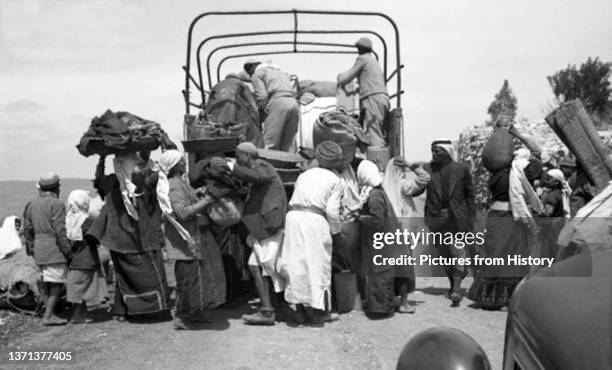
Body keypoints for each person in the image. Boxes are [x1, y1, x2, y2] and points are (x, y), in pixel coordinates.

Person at [89, 153, 170, 320]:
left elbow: (98, 180)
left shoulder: (111, 181)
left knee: (123, 275)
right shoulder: (144, 180)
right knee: (150, 276)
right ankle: (150, 309)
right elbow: (163, 171)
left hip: (118, 240)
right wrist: (150, 152)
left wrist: (102, 159)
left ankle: (121, 310)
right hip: (142, 240)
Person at [277, 141, 345, 325]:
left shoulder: (304, 175)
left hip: (293, 218)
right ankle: (319, 313)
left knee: (296, 264)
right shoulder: (335, 181)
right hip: (315, 220)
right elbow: (332, 212)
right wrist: (337, 234)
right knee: (318, 266)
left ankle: (299, 311)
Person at [158, 150, 226, 330]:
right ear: (173, 166)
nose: (184, 163)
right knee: (187, 281)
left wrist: (198, 193)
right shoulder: (174, 185)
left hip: (192, 238)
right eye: (181, 161)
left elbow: (188, 200)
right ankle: (182, 316)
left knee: (196, 278)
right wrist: (208, 200)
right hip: (184, 241)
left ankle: (194, 313)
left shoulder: (180, 182)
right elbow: (184, 212)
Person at [221, 142, 288, 325]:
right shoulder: (257, 170)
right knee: (257, 266)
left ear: (245, 156)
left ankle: (272, 309)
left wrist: (229, 166)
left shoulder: (262, 166)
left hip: (269, 226)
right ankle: (271, 308)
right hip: (264, 228)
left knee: (269, 267)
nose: (237, 160)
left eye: (238, 156)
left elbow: (255, 176)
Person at [467, 148, 542, 309]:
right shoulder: (519, 174)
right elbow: (536, 168)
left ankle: (489, 297)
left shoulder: (497, 173)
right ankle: (509, 298)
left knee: (495, 253)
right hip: (511, 218)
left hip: (495, 216)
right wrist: (534, 154)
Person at [358, 160, 417, 315]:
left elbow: (377, 220)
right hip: (392, 239)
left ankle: (382, 308)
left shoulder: (374, 195)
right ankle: (397, 304)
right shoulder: (377, 191)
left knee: (383, 274)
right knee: (398, 272)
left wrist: (360, 218)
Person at [421, 139, 475, 306]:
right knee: (444, 255)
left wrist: (470, 219)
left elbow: (470, 195)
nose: (434, 154)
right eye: (432, 150)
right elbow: (417, 186)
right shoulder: (427, 169)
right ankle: (453, 285)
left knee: (457, 252)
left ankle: (457, 289)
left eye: (437, 151)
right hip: (436, 219)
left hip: (456, 219)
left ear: (447, 151)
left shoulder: (461, 169)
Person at [382, 156, 431, 312]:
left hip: (389, 233)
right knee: (405, 270)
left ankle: (389, 301)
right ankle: (403, 303)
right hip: (403, 233)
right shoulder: (403, 186)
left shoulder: (384, 187)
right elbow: (425, 178)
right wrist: (411, 165)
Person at [23, 172, 72, 325]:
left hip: (39, 248)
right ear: (57, 188)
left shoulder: (31, 205)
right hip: (53, 248)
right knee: (56, 283)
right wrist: (68, 251)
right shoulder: (56, 204)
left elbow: (27, 230)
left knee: (45, 281)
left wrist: (31, 249)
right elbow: (60, 230)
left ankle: (48, 312)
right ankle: (48, 316)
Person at [65, 190, 108, 323]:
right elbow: (95, 237)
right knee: (83, 285)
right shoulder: (86, 220)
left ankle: (81, 312)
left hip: (73, 258)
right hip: (87, 257)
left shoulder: (67, 218)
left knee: (78, 285)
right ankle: (79, 314)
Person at [337, 37, 389, 148]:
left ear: (360, 48)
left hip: (373, 98)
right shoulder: (373, 60)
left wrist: (340, 77)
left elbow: (345, 79)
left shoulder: (362, 59)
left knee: (374, 134)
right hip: (381, 98)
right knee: (378, 132)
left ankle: (378, 163)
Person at [244, 59, 300, 151]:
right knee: (288, 144)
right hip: (294, 104)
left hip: (278, 104)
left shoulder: (257, 74)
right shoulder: (282, 73)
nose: (249, 74)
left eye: (249, 71)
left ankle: (268, 164)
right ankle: (289, 164)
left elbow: (262, 96)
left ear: (253, 66)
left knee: (270, 142)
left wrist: (262, 112)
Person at [539, 169, 571, 259]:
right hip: (560, 224)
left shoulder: (553, 196)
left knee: (548, 251)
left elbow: (548, 213)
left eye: (549, 179)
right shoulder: (561, 193)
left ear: (556, 182)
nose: (546, 181)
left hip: (552, 227)